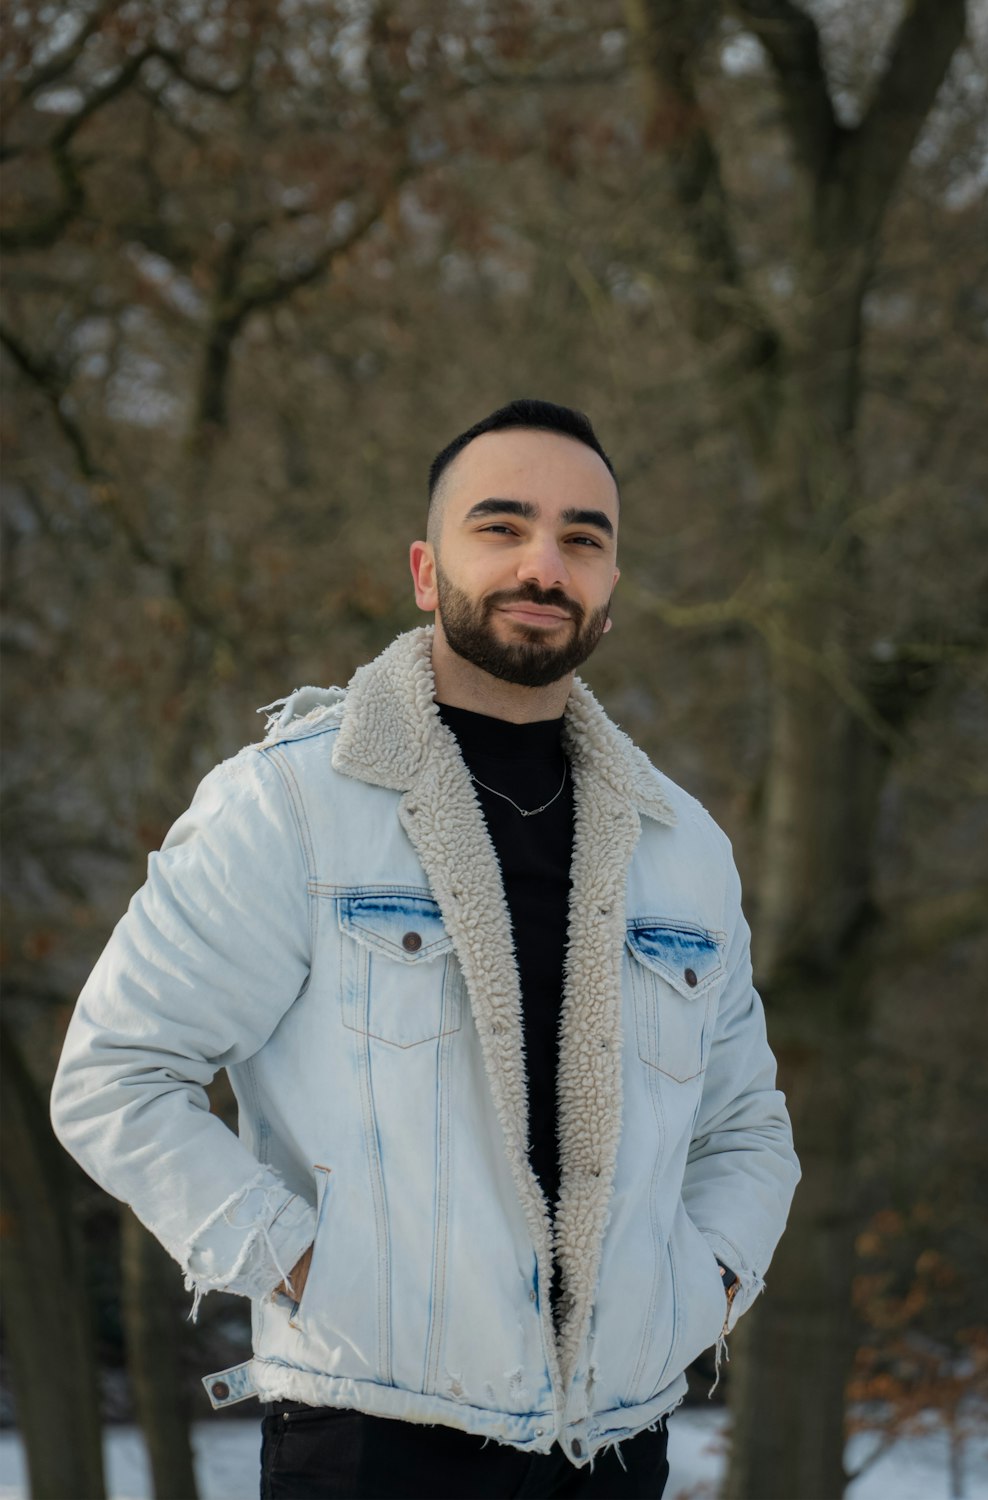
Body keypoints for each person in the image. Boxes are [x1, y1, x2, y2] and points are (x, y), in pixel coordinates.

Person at [51, 399, 800, 1500]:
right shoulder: (292, 806)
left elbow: (748, 1128)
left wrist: (707, 1284)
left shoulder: (680, 845)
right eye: (501, 526)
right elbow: (114, 1076)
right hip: (373, 1442)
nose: (544, 563)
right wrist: (312, 1268)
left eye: (582, 538)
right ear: (423, 568)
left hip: (617, 1447)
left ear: (610, 586)